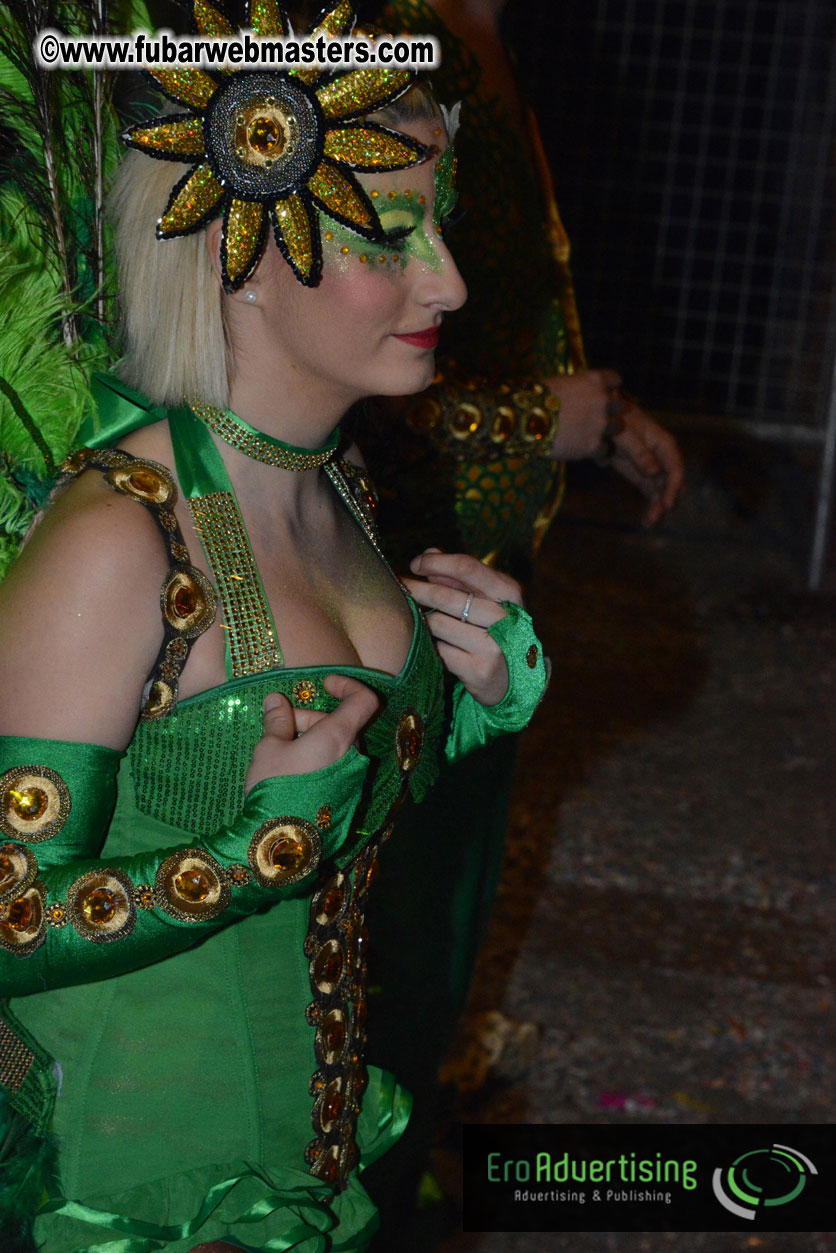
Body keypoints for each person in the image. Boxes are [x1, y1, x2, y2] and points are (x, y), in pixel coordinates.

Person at [0, 5, 547, 1249]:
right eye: (396, 238)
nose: (450, 281)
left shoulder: (338, 486)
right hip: (131, 1187)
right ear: (240, 253)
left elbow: (324, 778)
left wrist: (470, 703)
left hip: (313, 1149)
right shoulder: (118, 542)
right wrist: (252, 852)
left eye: (438, 229)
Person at [353, 0, 685, 1243]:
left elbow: (489, 292)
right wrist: (532, 422)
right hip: (390, 574)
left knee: (434, 958)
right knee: (377, 969)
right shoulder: (378, 33)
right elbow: (279, 356)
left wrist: (592, 408)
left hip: (481, 586)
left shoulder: (491, 36)